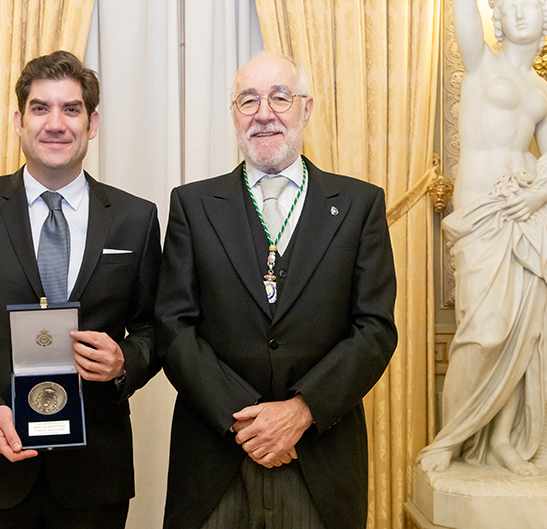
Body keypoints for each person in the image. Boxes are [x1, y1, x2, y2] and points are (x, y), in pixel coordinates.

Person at [0, 50, 161, 528]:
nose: (56, 123)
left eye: (71, 109)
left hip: (95, 474)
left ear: (92, 124)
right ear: (18, 120)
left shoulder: (136, 218)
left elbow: (156, 328)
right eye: (40, 108)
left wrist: (124, 362)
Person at [155, 53, 397, 529]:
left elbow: (374, 330)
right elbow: (173, 326)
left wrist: (301, 411)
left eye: (280, 97)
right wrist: (247, 420)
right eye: (249, 99)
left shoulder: (359, 204)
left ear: (306, 109)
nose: (263, 112)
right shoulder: (193, 205)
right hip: (214, 461)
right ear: (234, 114)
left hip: (320, 462)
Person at [417, 0, 547, 476]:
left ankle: (500, 442)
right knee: (484, 331)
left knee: (523, 332)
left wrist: (536, 199)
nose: (518, 14)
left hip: (526, 215)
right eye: (509, 7)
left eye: (529, 7)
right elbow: (463, 15)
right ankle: (449, 438)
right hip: (481, 213)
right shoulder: (481, 61)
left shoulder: (542, 90)